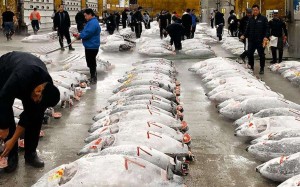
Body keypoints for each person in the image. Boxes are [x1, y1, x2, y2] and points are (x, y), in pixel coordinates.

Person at [0, 51, 60, 173]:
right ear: (38, 91)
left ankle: (30, 154)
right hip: (5, 71)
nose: (34, 101)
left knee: (36, 116)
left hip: (29, 75)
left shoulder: (47, 87)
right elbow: (3, 100)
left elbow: (28, 116)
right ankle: (11, 155)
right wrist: (4, 126)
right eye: (37, 99)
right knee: (6, 114)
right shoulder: (19, 77)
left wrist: (14, 139)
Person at [73, 9, 101, 84]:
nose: (85, 17)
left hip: (92, 46)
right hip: (90, 45)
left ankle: (93, 77)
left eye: (85, 16)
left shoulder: (92, 23)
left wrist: (80, 36)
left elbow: (88, 33)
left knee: (91, 62)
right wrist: (79, 34)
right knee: (90, 62)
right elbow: (86, 31)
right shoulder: (91, 22)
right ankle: (93, 76)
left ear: (90, 14)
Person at [242, 4, 269, 74]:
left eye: (256, 10)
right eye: (253, 10)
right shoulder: (250, 19)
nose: (255, 11)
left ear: (259, 10)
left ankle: (262, 68)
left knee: (261, 55)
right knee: (250, 54)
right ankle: (251, 67)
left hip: (260, 40)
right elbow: (247, 29)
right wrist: (244, 35)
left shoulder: (263, 18)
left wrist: (266, 36)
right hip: (251, 40)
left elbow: (267, 29)